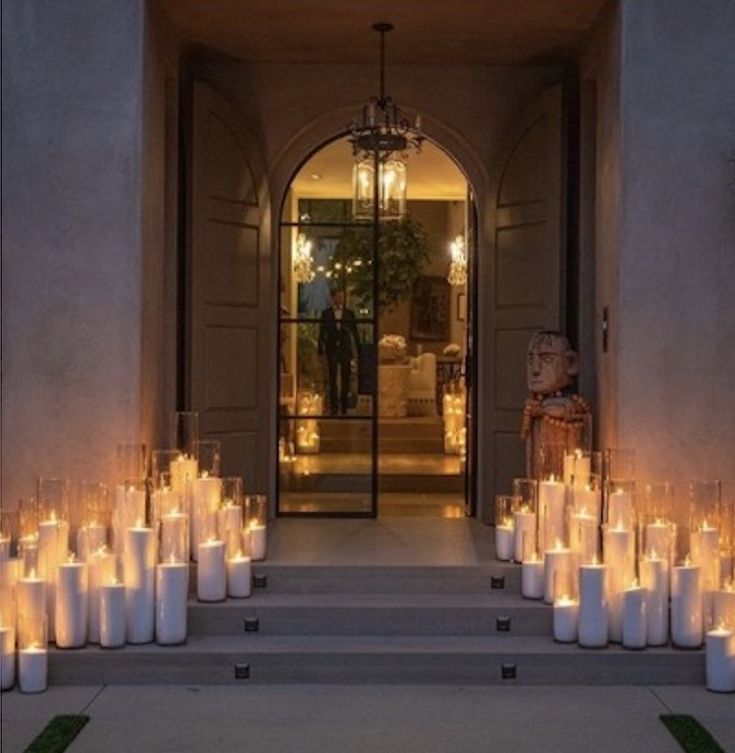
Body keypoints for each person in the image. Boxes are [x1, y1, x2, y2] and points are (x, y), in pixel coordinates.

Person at [318, 288, 360, 414]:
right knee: (332, 378)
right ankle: (334, 407)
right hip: (332, 348)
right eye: (338, 297)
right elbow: (322, 333)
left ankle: (344, 408)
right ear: (333, 298)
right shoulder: (326, 314)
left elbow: (355, 332)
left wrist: (356, 350)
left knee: (346, 377)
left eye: (342, 297)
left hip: (345, 349)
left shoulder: (349, 313)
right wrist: (320, 350)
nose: (340, 299)